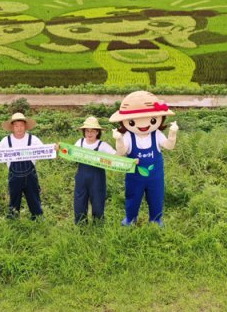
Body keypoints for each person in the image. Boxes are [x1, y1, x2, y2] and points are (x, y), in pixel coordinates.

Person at [109, 91, 179, 227]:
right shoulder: (129, 136)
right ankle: (130, 218)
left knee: (156, 197)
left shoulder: (156, 134)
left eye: (152, 120)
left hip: (155, 176)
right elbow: (121, 152)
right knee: (132, 197)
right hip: (134, 177)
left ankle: (156, 219)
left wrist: (172, 133)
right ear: (125, 122)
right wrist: (119, 140)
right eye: (133, 121)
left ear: (159, 118)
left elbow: (169, 146)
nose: (143, 125)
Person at [0, 112, 44, 220]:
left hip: (30, 175)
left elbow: (45, 150)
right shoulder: (6, 141)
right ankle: (13, 218)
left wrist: (53, 148)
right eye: (16, 126)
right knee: (14, 198)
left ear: (25, 126)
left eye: (21, 125)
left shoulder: (33, 139)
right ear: (12, 127)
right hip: (14, 176)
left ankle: (38, 217)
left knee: (34, 197)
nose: (19, 128)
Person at [72, 116, 116, 224]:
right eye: (87, 131)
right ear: (84, 132)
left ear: (98, 132)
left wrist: (130, 161)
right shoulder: (80, 142)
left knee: (97, 201)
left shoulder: (102, 145)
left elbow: (117, 157)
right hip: (81, 177)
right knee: (79, 201)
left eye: (93, 131)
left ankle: (98, 225)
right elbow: (70, 154)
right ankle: (81, 225)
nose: (89, 133)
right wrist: (59, 149)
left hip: (97, 178)